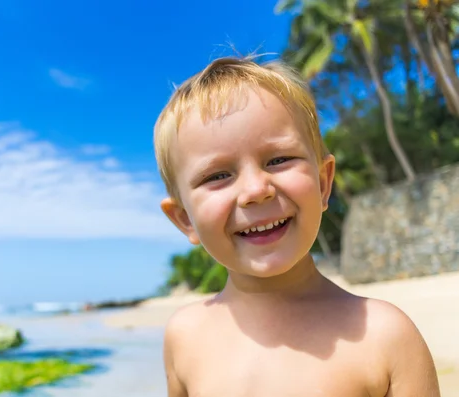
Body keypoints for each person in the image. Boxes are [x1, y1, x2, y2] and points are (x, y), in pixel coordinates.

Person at [152, 55, 440, 396]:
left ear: (322, 183)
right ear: (185, 218)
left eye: (278, 160)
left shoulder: (386, 337)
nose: (256, 191)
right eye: (218, 176)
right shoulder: (184, 336)